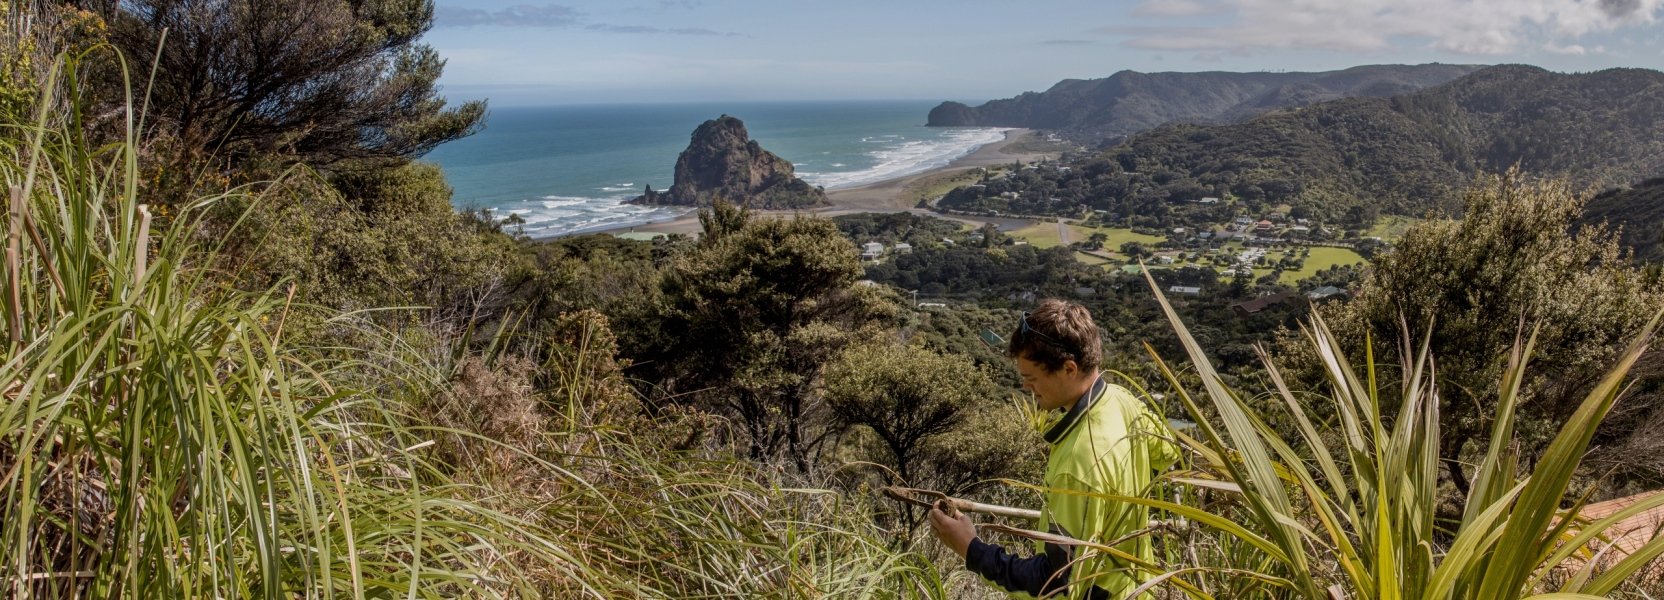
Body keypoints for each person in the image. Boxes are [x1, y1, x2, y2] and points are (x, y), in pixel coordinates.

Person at [929, 299, 1179, 599]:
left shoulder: (1079, 461)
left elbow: (1055, 585)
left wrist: (971, 548)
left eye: (1031, 378)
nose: (1025, 386)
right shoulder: (1123, 399)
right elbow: (1168, 454)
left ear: (1068, 368)